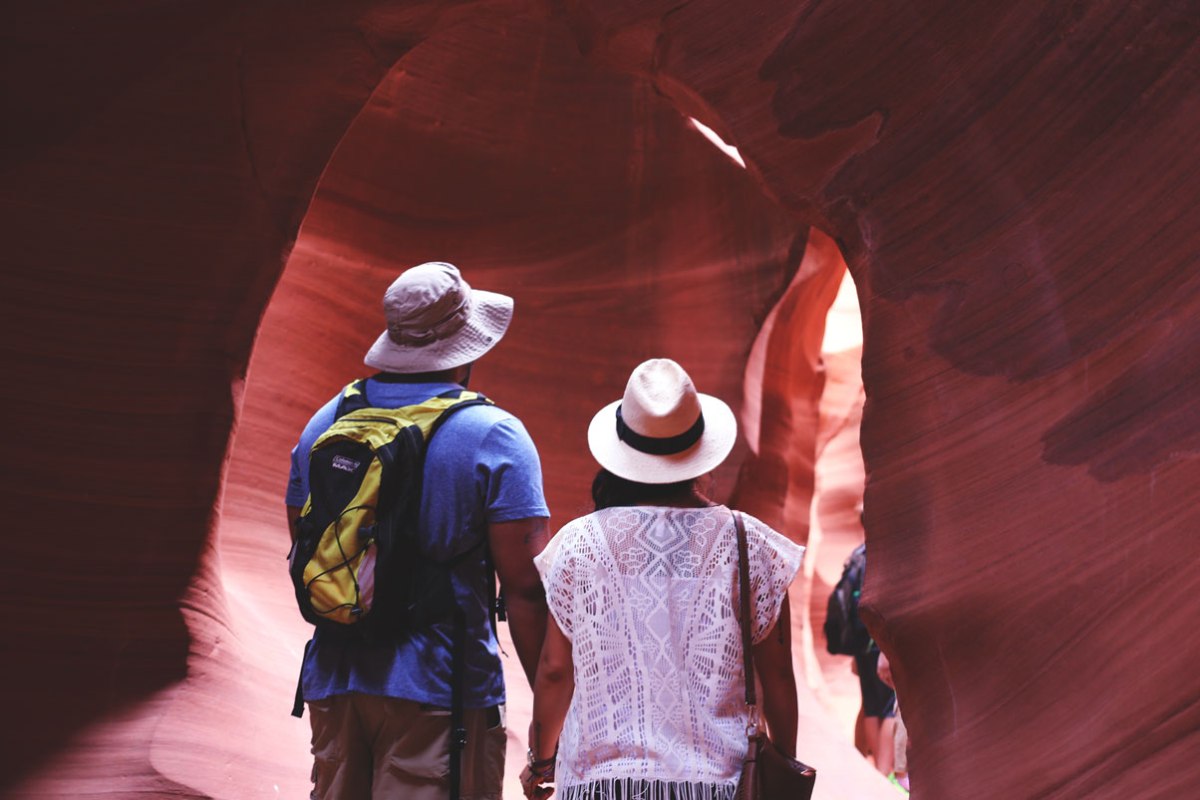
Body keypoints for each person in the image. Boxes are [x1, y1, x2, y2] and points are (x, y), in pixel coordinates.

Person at [285, 262, 550, 799]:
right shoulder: (494, 435)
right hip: (442, 691)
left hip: (336, 681)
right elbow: (525, 590)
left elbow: (306, 546)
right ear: (466, 347)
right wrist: (550, 721)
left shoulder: (327, 422)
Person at [520, 358, 805, 800]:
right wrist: (783, 771)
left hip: (602, 784)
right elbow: (779, 679)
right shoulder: (748, 544)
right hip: (718, 784)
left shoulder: (579, 544)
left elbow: (556, 671)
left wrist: (541, 762)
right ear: (700, 449)